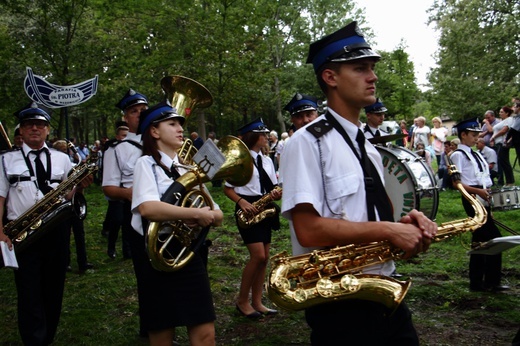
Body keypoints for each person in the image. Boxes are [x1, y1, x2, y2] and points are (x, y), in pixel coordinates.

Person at [280, 21, 437, 345]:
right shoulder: (307, 143)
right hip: (340, 303)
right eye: (361, 67)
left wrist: (406, 225)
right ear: (331, 77)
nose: (373, 76)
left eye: (373, 67)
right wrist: (389, 231)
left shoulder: (368, 148)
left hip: (385, 291)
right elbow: (308, 230)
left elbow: (369, 220)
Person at [130, 101, 223, 345]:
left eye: (181, 124)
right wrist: (192, 215)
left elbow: (219, 215)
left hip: (188, 254)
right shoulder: (145, 164)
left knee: (205, 330)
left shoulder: (189, 167)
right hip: (158, 256)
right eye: (172, 124)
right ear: (154, 131)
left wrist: (207, 216)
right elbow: (147, 208)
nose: (180, 128)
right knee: (162, 331)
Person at [0, 103, 85, 345]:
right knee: (28, 290)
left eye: (40, 124)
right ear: (21, 131)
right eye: (29, 125)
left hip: (56, 230)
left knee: (54, 286)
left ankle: (47, 336)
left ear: (48, 129)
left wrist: (80, 185)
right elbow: (0, 196)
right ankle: (33, 339)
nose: (34, 128)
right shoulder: (6, 160)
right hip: (22, 231)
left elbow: (69, 195)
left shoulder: (63, 159)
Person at [224, 118, 282, 319]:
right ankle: (242, 301)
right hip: (247, 208)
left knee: (264, 258)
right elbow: (227, 188)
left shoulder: (266, 159)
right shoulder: (240, 159)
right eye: (263, 134)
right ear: (252, 136)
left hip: (264, 206)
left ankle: (257, 301)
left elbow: (272, 186)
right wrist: (241, 202)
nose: (267, 137)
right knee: (257, 256)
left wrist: (275, 194)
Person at [449, 118, 508, 292]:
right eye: (473, 135)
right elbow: (456, 183)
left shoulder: (475, 153)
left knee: (479, 241)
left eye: (477, 135)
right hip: (472, 197)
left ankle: (477, 282)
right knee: (493, 240)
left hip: (482, 195)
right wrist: (478, 193)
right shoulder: (458, 155)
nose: (477, 138)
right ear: (463, 135)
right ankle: (492, 281)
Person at [102, 89, 148, 260]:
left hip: (167, 207)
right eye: (133, 111)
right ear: (126, 118)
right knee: (144, 263)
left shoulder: (163, 141)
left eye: (143, 110)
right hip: (136, 211)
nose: (139, 114)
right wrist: (128, 193)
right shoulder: (116, 149)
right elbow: (108, 188)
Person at [52, 140, 94, 273]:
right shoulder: (53, 165)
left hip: (75, 202)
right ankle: (66, 262)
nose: (67, 153)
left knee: (79, 233)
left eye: (67, 151)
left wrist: (81, 185)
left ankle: (83, 261)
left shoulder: (74, 164)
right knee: (65, 235)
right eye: (63, 151)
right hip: (62, 204)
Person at [103, 121, 129, 256]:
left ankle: (127, 250)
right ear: (118, 137)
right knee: (117, 220)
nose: (126, 138)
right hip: (116, 191)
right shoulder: (111, 150)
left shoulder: (132, 149)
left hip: (129, 191)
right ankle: (111, 247)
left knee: (127, 221)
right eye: (123, 135)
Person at [490, 106, 515, 186]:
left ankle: (510, 181)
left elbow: (504, 130)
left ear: (507, 113)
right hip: (498, 143)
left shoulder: (509, 120)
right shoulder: (502, 121)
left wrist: (493, 137)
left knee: (505, 162)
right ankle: (508, 181)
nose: (500, 113)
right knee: (502, 162)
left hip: (503, 143)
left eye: (502, 112)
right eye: (500, 112)